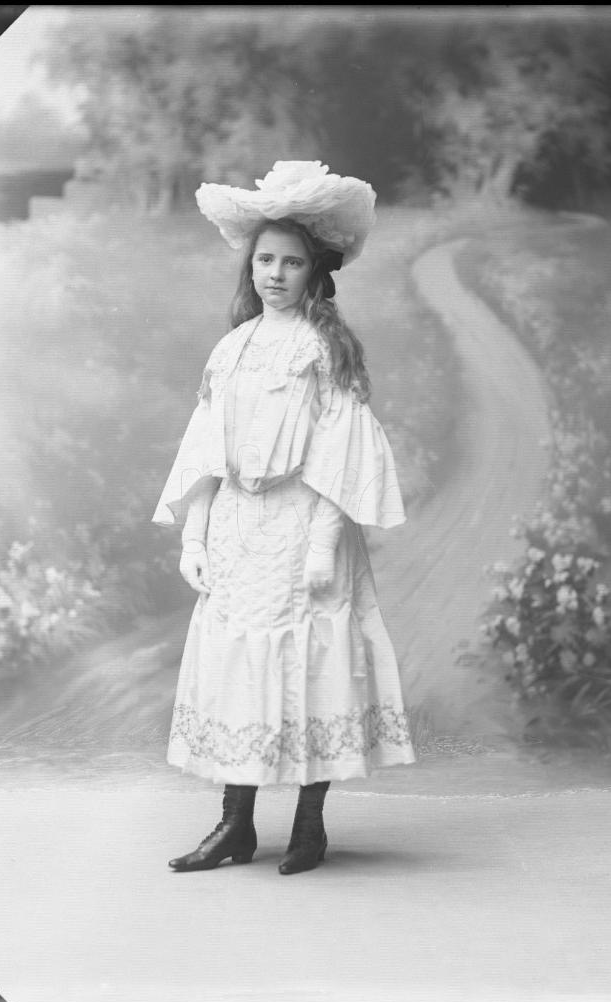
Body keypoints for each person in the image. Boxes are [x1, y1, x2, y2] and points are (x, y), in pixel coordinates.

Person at [152, 161, 415, 875]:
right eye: (264, 260)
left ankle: (308, 826)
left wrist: (324, 545)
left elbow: (339, 452)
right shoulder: (231, 350)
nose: (274, 274)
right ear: (251, 266)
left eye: (290, 263)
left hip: (302, 523)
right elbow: (204, 448)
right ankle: (234, 825)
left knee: (310, 662)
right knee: (238, 667)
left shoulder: (322, 350)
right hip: (240, 523)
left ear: (314, 273)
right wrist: (195, 534)